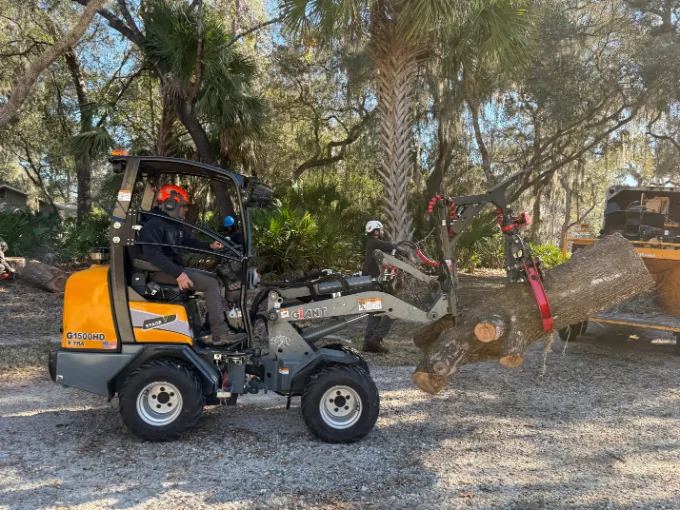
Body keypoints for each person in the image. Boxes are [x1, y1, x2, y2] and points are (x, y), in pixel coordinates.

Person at [138, 185, 234, 346]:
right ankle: (219, 334)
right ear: (171, 204)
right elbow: (152, 253)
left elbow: (188, 240)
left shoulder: (172, 224)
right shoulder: (154, 224)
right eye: (184, 206)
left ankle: (209, 327)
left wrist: (209, 246)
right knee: (210, 284)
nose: (186, 210)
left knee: (214, 279)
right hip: (161, 271)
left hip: (172, 269)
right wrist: (178, 274)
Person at [361, 220, 397, 354]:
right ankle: (376, 339)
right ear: (376, 231)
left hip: (370, 283)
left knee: (374, 313)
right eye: (379, 230)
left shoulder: (373, 244)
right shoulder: (375, 243)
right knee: (394, 311)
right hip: (372, 284)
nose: (380, 232)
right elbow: (393, 246)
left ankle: (367, 344)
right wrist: (407, 253)